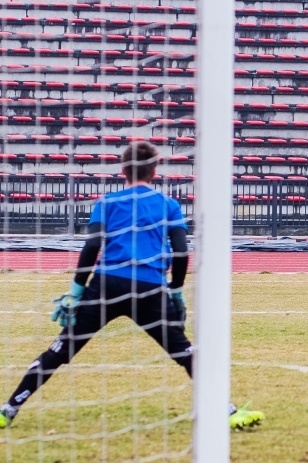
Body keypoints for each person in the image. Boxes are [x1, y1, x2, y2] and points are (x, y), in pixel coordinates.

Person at [0, 141, 264, 430]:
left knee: (60, 350)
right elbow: (179, 251)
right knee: (184, 352)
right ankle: (227, 410)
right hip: (149, 288)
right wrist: (175, 289)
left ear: (123, 170)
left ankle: (9, 409)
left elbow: (91, 246)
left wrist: (76, 291)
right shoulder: (168, 205)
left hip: (106, 286)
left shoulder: (107, 203)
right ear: (154, 170)